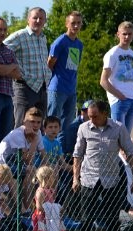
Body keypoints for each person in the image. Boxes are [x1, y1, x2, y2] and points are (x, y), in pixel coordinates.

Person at [73, 99, 133, 231]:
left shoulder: (118, 128)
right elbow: (77, 154)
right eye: (89, 116)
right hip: (89, 179)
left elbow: (131, 152)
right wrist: (75, 178)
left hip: (111, 180)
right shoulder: (83, 128)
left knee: (112, 222)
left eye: (95, 116)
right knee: (86, 221)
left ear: (104, 114)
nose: (91, 119)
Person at [5, 7, 49, 127]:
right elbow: (1, 50)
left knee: (39, 127)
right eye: (35, 18)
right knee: (21, 125)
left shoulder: (43, 38)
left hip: (42, 87)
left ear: (45, 21)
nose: (38, 21)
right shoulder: (20, 35)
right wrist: (14, 70)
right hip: (24, 87)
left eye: (41, 18)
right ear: (28, 19)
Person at [0, 18, 23, 145]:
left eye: (5, 30)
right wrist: (11, 66)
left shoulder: (9, 50)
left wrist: (4, 68)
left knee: (6, 135)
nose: (3, 32)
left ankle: (2, 158)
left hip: (8, 95)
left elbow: (18, 74)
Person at [47, 12, 83, 140]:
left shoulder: (79, 44)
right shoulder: (60, 42)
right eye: (73, 23)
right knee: (52, 123)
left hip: (71, 89)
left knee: (66, 125)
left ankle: (60, 150)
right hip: (57, 88)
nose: (76, 26)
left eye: (78, 23)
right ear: (67, 24)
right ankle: (48, 150)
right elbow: (50, 63)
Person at [101, 22, 133, 136]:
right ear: (118, 34)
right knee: (117, 136)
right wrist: (118, 95)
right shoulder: (112, 54)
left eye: (130, 34)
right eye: (124, 34)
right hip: (119, 100)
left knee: (126, 138)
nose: (127, 37)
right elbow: (103, 81)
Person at [0, 106, 44, 185]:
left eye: (38, 122)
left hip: (16, 164)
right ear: (25, 122)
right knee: (30, 169)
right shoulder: (17, 134)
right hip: (2, 165)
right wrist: (34, 141)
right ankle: (25, 194)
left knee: (49, 169)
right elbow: (27, 160)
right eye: (32, 121)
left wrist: (48, 166)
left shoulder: (38, 132)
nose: (36, 125)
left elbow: (43, 154)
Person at [31, 165, 66, 231]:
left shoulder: (51, 190)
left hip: (52, 218)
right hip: (43, 219)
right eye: (52, 177)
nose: (54, 179)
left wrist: (57, 209)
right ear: (46, 178)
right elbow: (39, 207)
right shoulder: (40, 191)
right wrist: (52, 208)